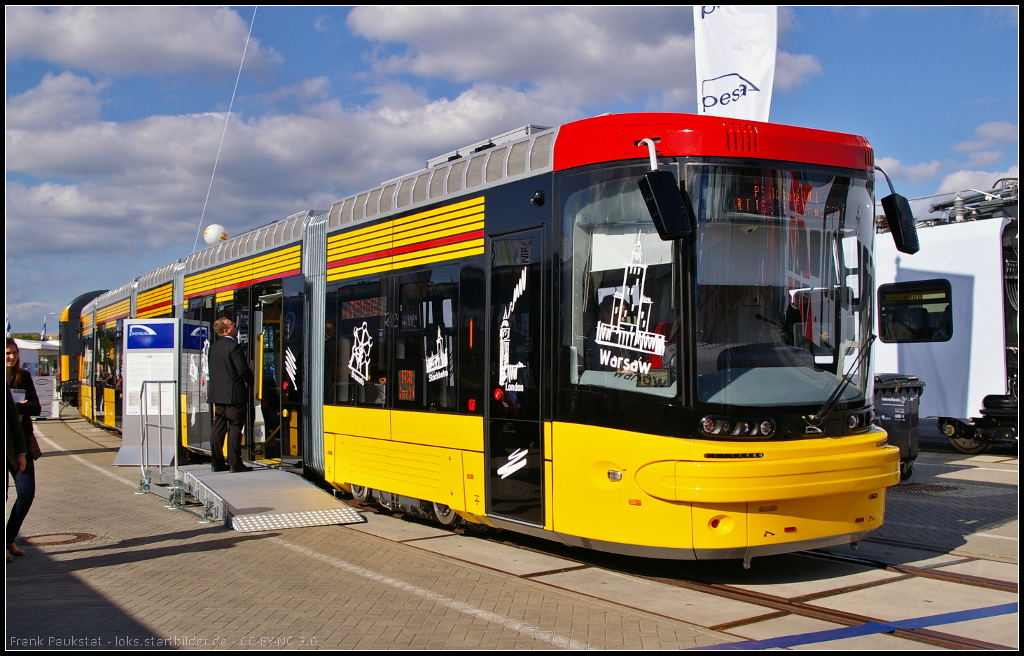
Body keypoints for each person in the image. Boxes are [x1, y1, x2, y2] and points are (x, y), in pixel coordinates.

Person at [6, 338, 41, 559]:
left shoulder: (23, 377)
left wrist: (17, 408)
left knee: (26, 493)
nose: (11, 356)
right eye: (7, 353)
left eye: (14, 353)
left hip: (20, 441)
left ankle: (9, 537)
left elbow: (36, 406)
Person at [207, 318, 255, 473]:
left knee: (218, 427)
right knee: (235, 426)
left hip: (217, 393)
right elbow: (242, 369)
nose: (235, 326)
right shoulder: (234, 347)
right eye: (232, 325)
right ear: (226, 330)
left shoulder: (214, 347)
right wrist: (252, 382)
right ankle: (235, 463)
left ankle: (217, 462)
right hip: (234, 394)